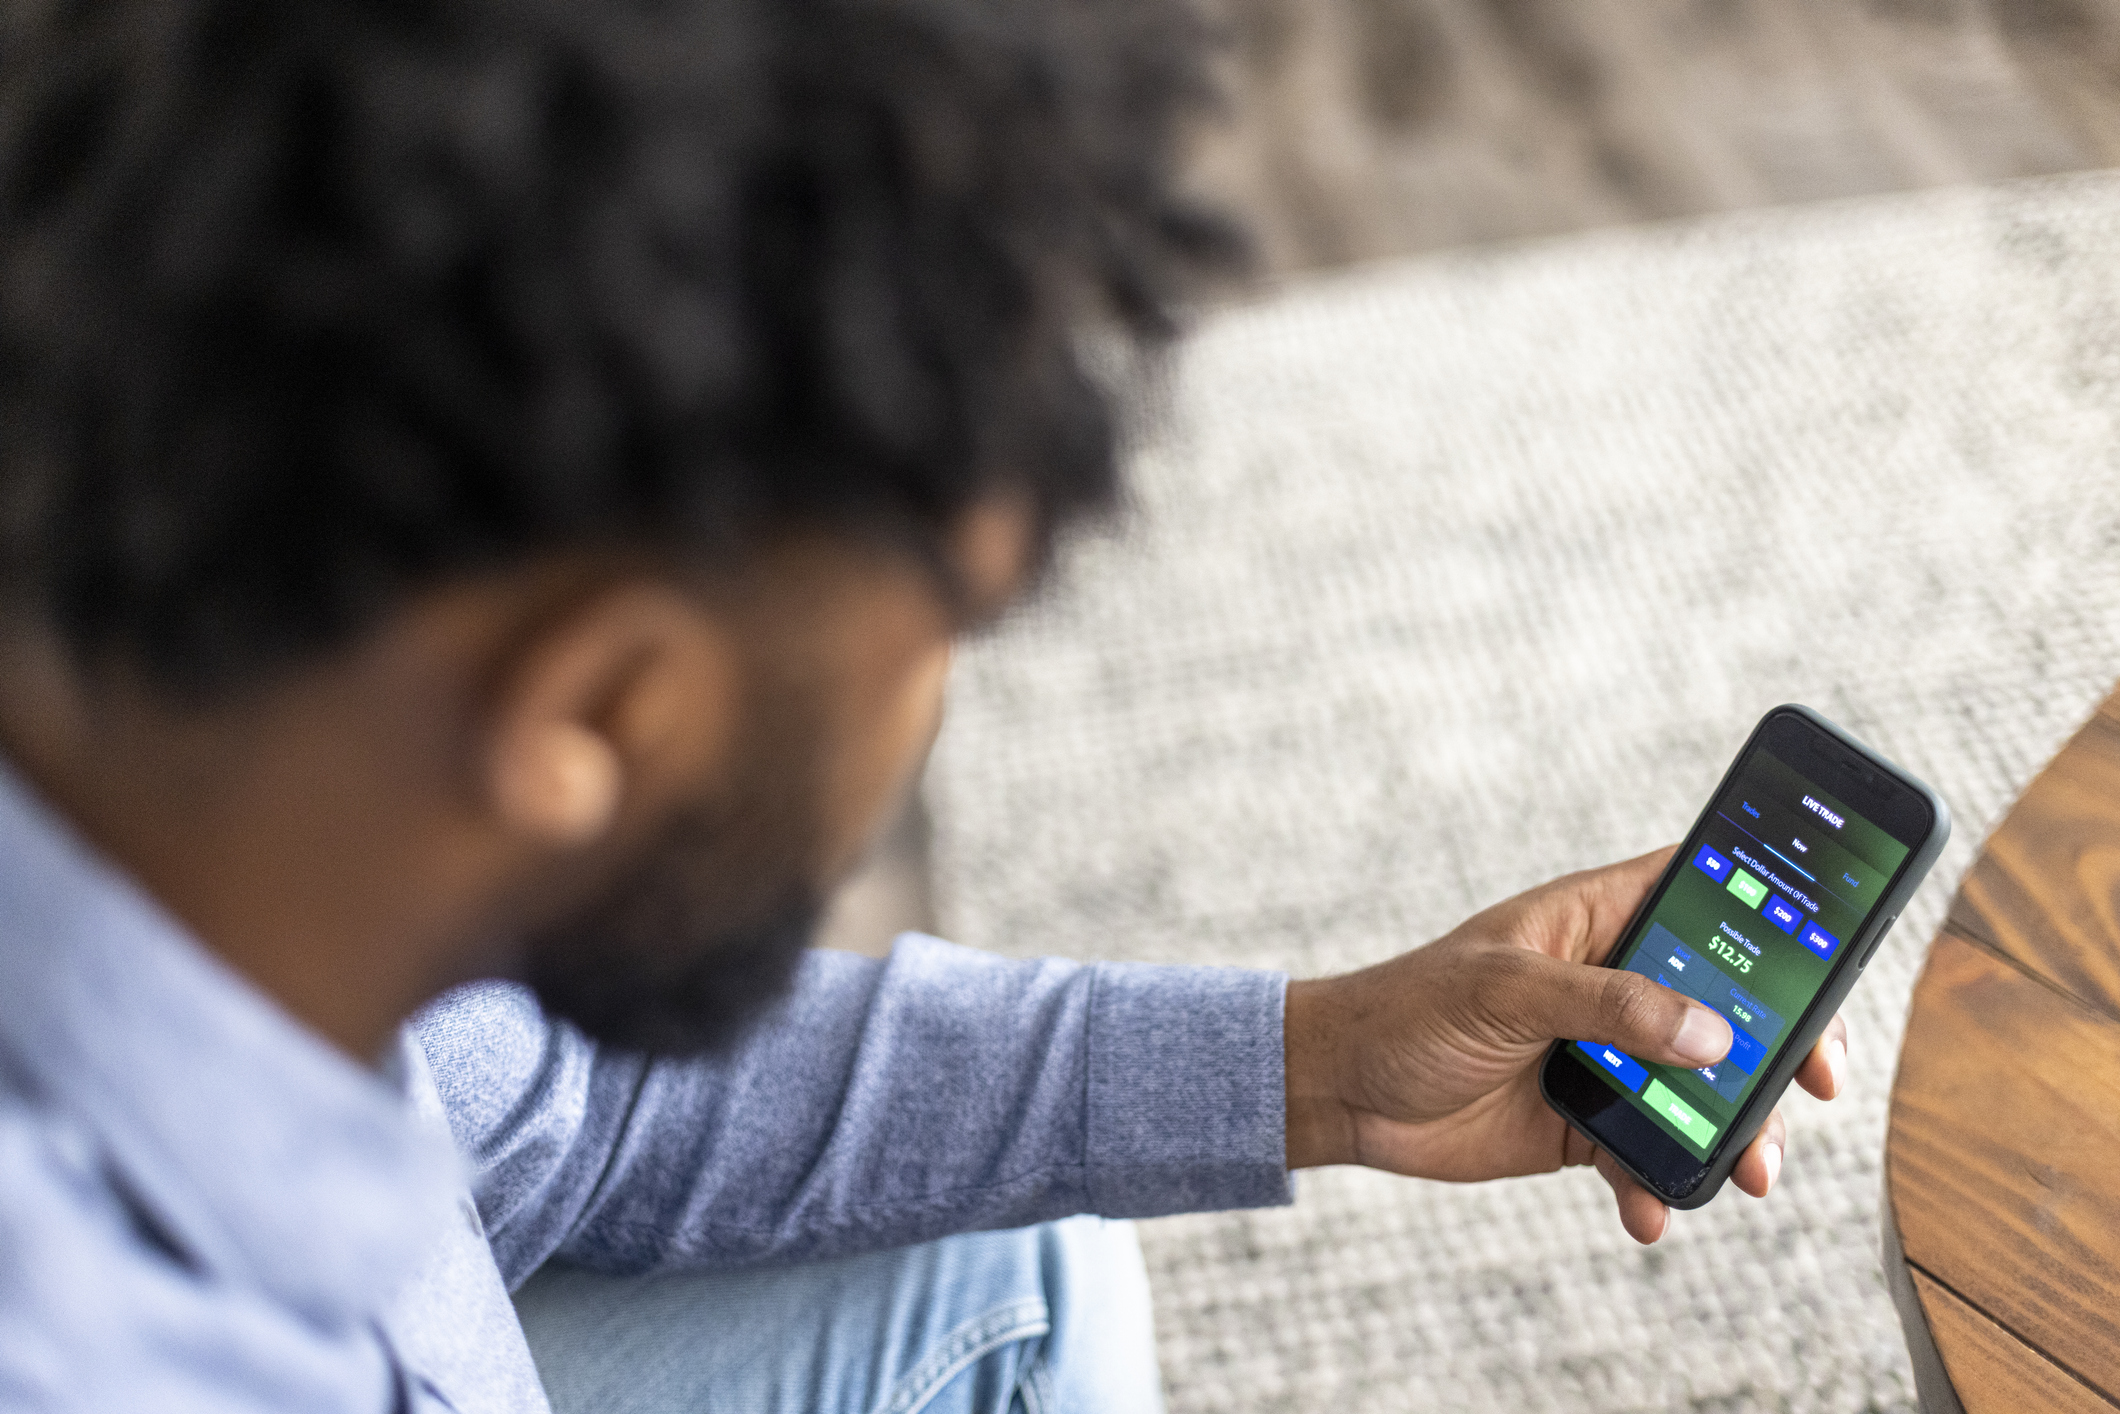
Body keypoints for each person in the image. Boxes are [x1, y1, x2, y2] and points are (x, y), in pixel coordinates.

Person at [0, 0, 1851, 1409]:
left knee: (1021, 1272)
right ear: (600, 711)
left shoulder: (243, 779)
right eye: (946, 622)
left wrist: (1324, 1060)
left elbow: (559, 1098)